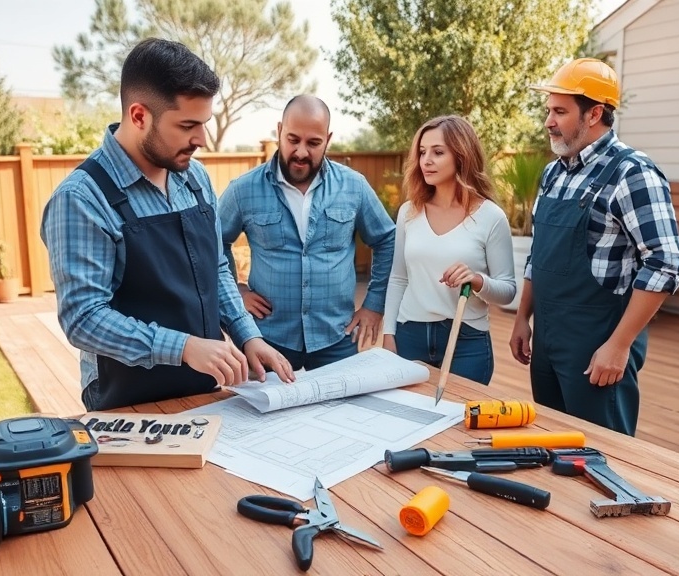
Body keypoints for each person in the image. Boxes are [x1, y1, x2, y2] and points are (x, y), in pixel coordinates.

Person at [41, 38, 293, 411]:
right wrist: (184, 347)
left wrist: (247, 335)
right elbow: (83, 317)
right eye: (188, 125)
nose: (202, 140)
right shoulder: (81, 198)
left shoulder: (195, 179)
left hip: (204, 388)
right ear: (139, 116)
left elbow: (215, 269)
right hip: (127, 400)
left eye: (204, 124)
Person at [509, 58, 679, 436]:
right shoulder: (553, 173)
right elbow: (539, 254)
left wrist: (619, 345)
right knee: (554, 444)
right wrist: (523, 317)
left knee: (601, 453)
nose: (548, 121)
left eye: (560, 112)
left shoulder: (632, 172)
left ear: (594, 114)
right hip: (547, 337)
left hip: (598, 344)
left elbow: (666, 262)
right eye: (548, 111)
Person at [217, 95, 396, 370]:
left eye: (313, 143)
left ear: (328, 139)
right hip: (267, 338)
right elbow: (214, 242)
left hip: (337, 337)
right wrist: (237, 292)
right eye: (293, 140)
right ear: (279, 131)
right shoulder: (243, 190)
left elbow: (386, 239)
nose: (301, 152)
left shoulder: (354, 186)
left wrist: (374, 304)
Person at [382, 115, 516, 385]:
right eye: (422, 152)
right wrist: (389, 334)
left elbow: (508, 290)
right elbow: (398, 278)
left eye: (438, 152)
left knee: (459, 412)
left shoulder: (491, 217)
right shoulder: (409, 212)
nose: (426, 160)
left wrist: (476, 280)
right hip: (409, 335)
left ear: (462, 156)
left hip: (467, 341)